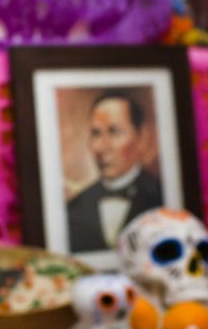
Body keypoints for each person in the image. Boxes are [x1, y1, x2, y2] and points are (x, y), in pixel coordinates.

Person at [67, 90, 163, 252]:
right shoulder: (74, 208)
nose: (101, 147)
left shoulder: (162, 197)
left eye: (114, 131)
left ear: (141, 137)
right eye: (96, 133)